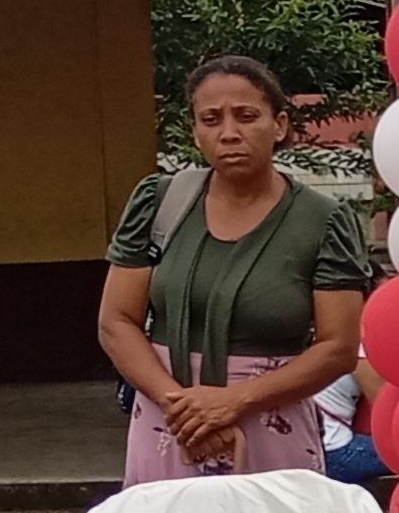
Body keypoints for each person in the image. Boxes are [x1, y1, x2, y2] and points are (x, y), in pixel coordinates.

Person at [96, 56, 368, 480]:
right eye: (211, 119)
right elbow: (116, 322)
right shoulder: (158, 203)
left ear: (279, 125)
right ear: (195, 132)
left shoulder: (324, 221)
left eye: (246, 116)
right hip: (170, 426)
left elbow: (338, 348)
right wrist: (182, 407)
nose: (229, 133)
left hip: (268, 427)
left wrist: (234, 401)